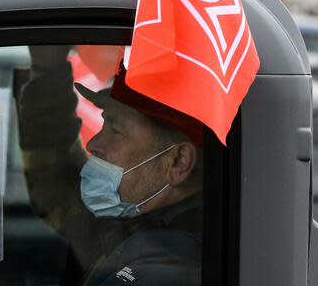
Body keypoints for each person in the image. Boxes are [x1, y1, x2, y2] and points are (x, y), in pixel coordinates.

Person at [18, 46, 203, 286]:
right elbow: (56, 181)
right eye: (105, 124)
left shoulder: (168, 267)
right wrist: (48, 67)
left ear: (178, 162)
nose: (94, 143)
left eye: (115, 131)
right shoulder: (130, 219)